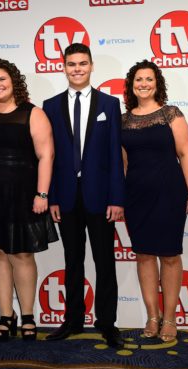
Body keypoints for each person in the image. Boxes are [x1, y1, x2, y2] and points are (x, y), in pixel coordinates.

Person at [0, 57, 57, 341]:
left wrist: (42, 193)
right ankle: (7, 316)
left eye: (2, 79)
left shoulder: (33, 113)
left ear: (14, 81)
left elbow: (46, 156)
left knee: (22, 253)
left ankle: (28, 315)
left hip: (23, 193)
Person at [42, 43, 125, 348]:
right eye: (71, 64)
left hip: (101, 198)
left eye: (82, 63)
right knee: (72, 261)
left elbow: (116, 156)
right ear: (63, 67)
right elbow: (48, 156)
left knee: (105, 262)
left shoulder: (110, 104)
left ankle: (107, 322)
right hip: (65, 197)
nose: (77, 69)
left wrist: (117, 198)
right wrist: (51, 197)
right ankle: (73, 320)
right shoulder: (49, 106)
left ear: (91, 67)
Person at [121, 60, 188, 343]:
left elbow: (186, 153)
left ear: (157, 83)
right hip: (136, 195)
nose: (143, 84)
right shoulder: (124, 119)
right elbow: (125, 162)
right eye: (138, 80)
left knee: (168, 255)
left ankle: (169, 318)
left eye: (149, 79)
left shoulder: (171, 114)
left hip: (169, 192)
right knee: (143, 254)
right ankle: (152, 316)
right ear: (131, 85)